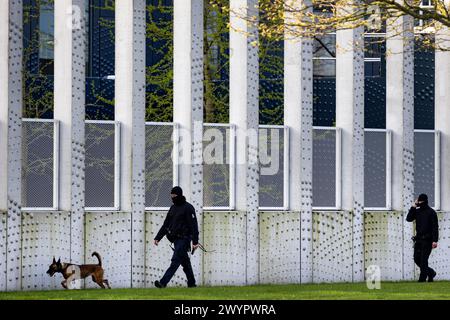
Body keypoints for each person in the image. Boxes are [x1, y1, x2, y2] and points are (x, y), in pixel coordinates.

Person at [153, 186, 199, 288]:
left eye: (174, 195)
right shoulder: (173, 208)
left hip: (184, 239)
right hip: (175, 239)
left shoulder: (188, 208)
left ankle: (163, 283)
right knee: (185, 263)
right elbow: (166, 225)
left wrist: (195, 242)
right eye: (171, 195)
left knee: (175, 262)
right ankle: (192, 283)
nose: (172, 197)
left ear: (179, 195)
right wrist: (158, 237)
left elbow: (194, 226)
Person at [406, 193, 439, 282]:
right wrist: (413, 207)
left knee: (424, 260)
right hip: (419, 239)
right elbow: (408, 219)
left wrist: (435, 240)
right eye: (418, 201)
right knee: (417, 259)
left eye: (420, 201)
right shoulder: (417, 211)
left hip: (428, 240)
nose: (419, 202)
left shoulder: (431, 212)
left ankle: (422, 279)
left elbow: (435, 227)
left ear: (424, 201)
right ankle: (431, 272)